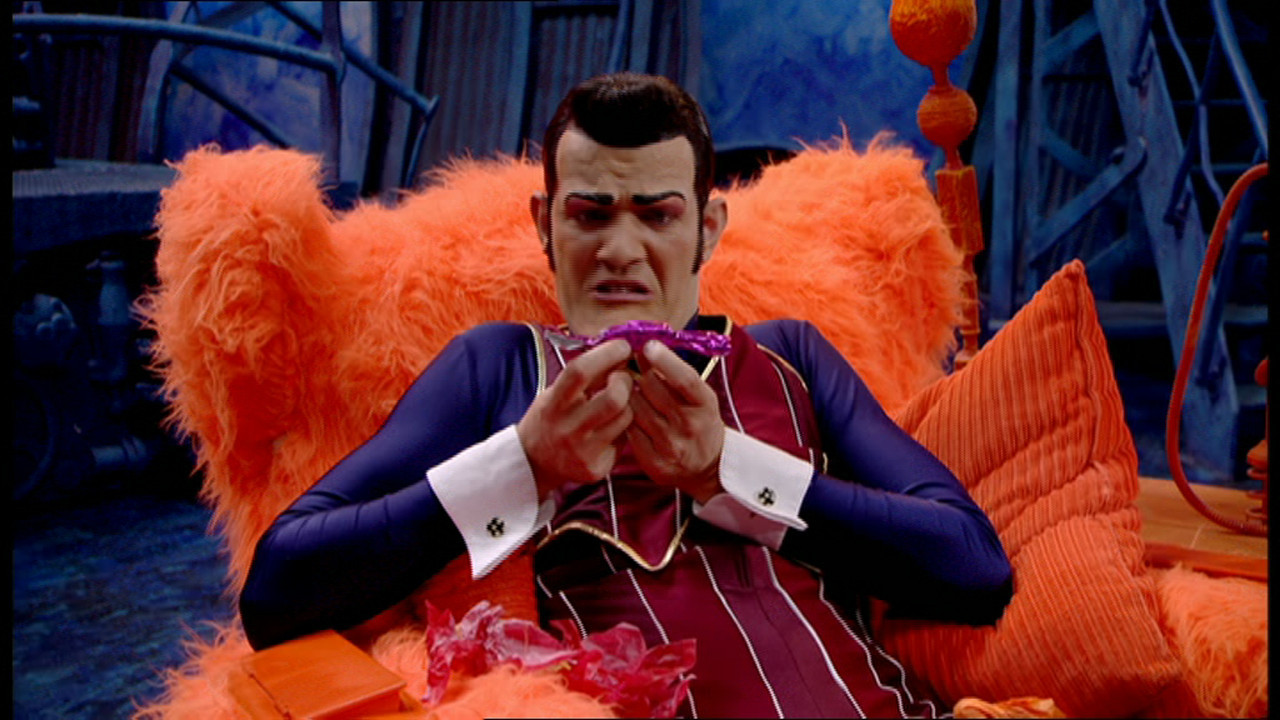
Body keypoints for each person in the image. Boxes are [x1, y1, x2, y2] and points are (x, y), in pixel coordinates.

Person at [239, 72, 1013, 718]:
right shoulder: (499, 367)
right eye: (590, 214)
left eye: (657, 215)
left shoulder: (792, 357)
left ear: (708, 229)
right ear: (545, 226)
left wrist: (730, 472)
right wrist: (525, 466)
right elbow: (277, 592)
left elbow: (974, 568)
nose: (620, 249)